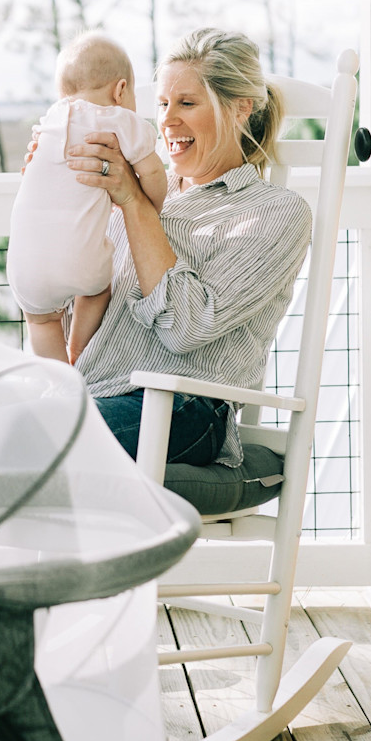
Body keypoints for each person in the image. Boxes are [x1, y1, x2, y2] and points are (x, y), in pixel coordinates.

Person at [59, 27, 313, 470]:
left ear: (241, 108)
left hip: (183, 412)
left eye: (187, 103)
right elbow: (72, 319)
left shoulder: (275, 212)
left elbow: (185, 329)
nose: (167, 120)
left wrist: (137, 205)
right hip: (95, 393)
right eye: (161, 104)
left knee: (35, 440)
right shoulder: (135, 186)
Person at [6, 32, 168, 365]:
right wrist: (151, 203)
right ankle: (79, 354)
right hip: (80, 262)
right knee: (96, 290)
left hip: (24, 264)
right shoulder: (119, 120)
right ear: (120, 90)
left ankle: (59, 377)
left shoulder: (49, 121)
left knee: (42, 321)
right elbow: (152, 172)